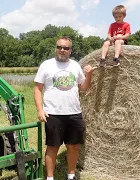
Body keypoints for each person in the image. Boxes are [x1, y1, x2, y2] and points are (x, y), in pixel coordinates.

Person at [34, 36, 96, 180]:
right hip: (53, 113)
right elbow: (37, 88)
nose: (62, 50)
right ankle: (49, 177)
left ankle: (71, 175)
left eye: (66, 48)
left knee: (73, 146)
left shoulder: (75, 66)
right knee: (53, 146)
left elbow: (83, 87)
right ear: (56, 48)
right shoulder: (46, 65)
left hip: (74, 113)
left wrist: (89, 75)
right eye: (59, 47)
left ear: (70, 51)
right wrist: (39, 109)